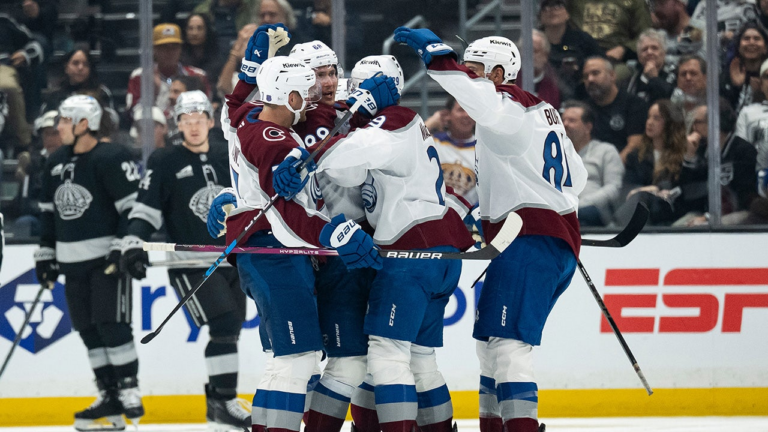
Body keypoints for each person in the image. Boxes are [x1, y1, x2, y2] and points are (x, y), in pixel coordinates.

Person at [394, 28, 587, 432]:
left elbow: (480, 99)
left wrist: (438, 58)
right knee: (489, 345)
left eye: (475, 70)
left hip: (530, 241)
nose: (468, 78)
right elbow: (578, 178)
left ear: (499, 74)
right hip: (538, 239)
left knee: (508, 347)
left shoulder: (507, 106)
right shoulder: (541, 111)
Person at [282, 54, 474, 432]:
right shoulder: (400, 123)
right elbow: (354, 174)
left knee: (386, 356)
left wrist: (309, 153)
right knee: (420, 358)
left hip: (410, 250)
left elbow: (341, 165)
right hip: (437, 250)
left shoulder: (392, 120)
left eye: (357, 85)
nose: (348, 90)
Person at [217, 24, 394, 431]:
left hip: (311, 252)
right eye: (314, 79)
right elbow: (280, 205)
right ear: (292, 88)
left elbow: (238, 124)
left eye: (332, 73)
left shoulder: (300, 118)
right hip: (285, 250)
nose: (324, 86)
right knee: (295, 361)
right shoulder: (272, 129)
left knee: (317, 360)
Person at [121, 91, 251, 431]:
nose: (193, 127)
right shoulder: (165, 161)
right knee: (223, 322)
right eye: (186, 121)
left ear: (210, 121)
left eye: (199, 120)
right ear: (178, 124)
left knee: (232, 326)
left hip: (233, 259)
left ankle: (216, 405)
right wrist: (135, 241)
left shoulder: (228, 153)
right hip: (191, 263)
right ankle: (224, 401)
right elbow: (146, 207)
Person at [34, 95, 143, 431]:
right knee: (89, 330)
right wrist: (46, 255)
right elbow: (49, 215)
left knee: (112, 326)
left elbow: (132, 209)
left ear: (84, 123)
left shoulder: (112, 157)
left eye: (65, 120)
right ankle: (107, 393)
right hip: (71, 264)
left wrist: (123, 247)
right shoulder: (55, 161)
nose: (59, 127)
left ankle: (128, 390)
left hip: (106, 261)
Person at [677, 102, 759, 225]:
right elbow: (689, 193)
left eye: (697, 122)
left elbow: (743, 196)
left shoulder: (743, 150)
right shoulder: (700, 149)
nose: (694, 128)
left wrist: (709, 217)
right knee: (679, 228)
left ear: (714, 122)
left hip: (737, 213)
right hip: (703, 212)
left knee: (701, 227)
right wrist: (689, 157)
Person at [614, 99, 691, 225]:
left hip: (671, 212)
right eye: (649, 117)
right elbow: (628, 188)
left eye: (656, 118)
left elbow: (681, 187)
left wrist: (654, 188)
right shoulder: (636, 156)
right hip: (642, 211)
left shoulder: (684, 155)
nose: (649, 122)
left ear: (670, 123)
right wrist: (650, 189)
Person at [126, 23, 211, 116]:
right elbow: (132, 114)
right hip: (152, 129)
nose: (169, 52)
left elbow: (206, 112)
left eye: (174, 47)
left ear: (180, 49)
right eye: (164, 47)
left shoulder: (197, 76)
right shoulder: (141, 75)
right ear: (154, 50)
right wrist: (153, 94)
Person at [562, 101, 624, 226]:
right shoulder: (554, 155)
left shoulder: (606, 151)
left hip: (595, 211)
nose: (565, 124)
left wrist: (580, 204)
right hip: (561, 211)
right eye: (563, 120)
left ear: (588, 127)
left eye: (572, 120)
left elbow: (614, 189)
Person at [582, 56, 648, 162]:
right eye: (586, 76)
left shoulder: (634, 104)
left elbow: (635, 144)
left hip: (622, 167)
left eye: (595, 73)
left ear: (612, 75)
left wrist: (612, 168)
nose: (590, 79)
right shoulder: (583, 109)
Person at [538, 0, 603, 101]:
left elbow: (600, 62)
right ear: (540, 16)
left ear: (568, 14)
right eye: (546, 6)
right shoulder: (534, 41)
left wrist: (580, 70)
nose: (552, 10)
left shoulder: (583, 39)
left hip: (581, 93)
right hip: (543, 92)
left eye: (558, 5)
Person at [0, 13, 42, 154]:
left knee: (8, 86)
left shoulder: (4, 21)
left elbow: (35, 42)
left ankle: (24, 141)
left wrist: (26, 54)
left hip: (3, 67)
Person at [40, 48, 115, 122]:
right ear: (66, 67)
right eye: (75, 63)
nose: (80, 68)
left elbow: (111, 121)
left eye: (85, 64)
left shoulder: (102, 93)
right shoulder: (54, 96)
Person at [428, 96, 478, 206]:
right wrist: (432, 122)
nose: (466, 115)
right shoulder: (435, 142)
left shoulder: (482, 149)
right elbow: (410, 146)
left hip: (467, 217)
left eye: (470, 110)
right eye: (461, 110)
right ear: (448, 115)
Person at [567, 0, 652, 62]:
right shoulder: (574, 3)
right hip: (579, 53)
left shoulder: (635, 2)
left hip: (616, 58)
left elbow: (646, 35)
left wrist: (624, 49)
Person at [722, 22, 768, 113]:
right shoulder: (727, 76)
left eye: (757, 39)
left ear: (765, 48)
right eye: (746, 39)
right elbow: (725, 115)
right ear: (738, 47)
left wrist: (761, 92)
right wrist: (736, 87)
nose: (751, 42)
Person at [623, 29, 677, 105]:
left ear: (663, 52)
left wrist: (654, 79)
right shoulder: (631, 81)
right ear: (639, 56)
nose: (649, 52)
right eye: (644, 49)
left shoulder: (676, 74)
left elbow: (673, 100)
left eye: (654, 48)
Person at [648, 0, 705, 65]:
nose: (657, 9)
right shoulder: (656, 38)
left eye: (662, 3)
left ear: (679, 4)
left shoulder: (703, 31)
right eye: (655, 4)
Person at [181, 13, 224, 87]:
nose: (194, 33)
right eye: (190, 28)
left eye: (199, 28)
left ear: (207, 31)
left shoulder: (217, 56)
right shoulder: (179, 57)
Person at [670, 54, 707, 121]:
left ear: (705, 78)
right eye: (683, 74)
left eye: (693, 73)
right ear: (677, 80)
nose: (688, 78)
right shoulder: (671, 109)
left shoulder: (715, 107)